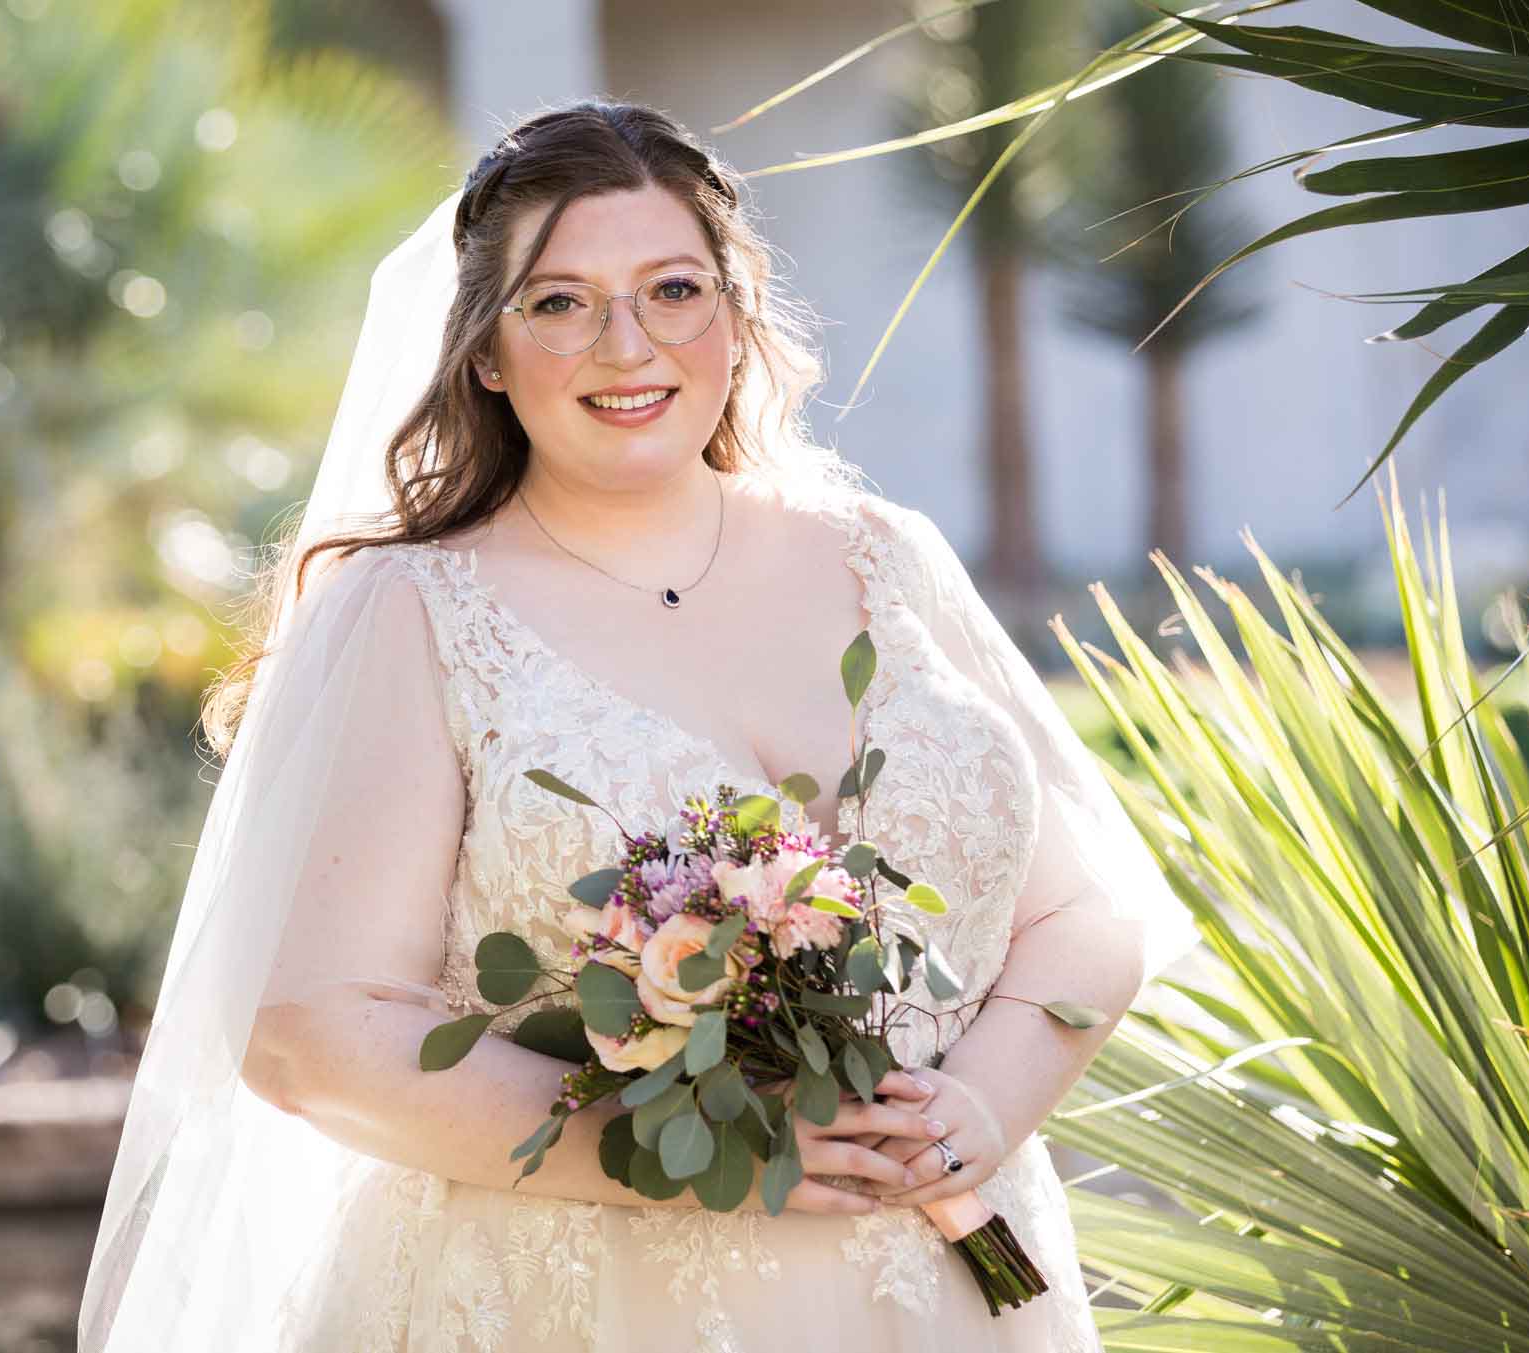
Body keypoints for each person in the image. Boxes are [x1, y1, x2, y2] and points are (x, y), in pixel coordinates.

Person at [77, 98, 1199, 1352]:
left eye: (672, 289)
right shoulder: (414, 614)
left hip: (939, 1292)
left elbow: (1083, 914)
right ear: (486, 353)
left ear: (734, 310)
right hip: (585, 1302)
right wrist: (708, 1150)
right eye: (559, 303)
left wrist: (975, 1114)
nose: (626, 345)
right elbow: (314, 1039)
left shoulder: (886, 558)